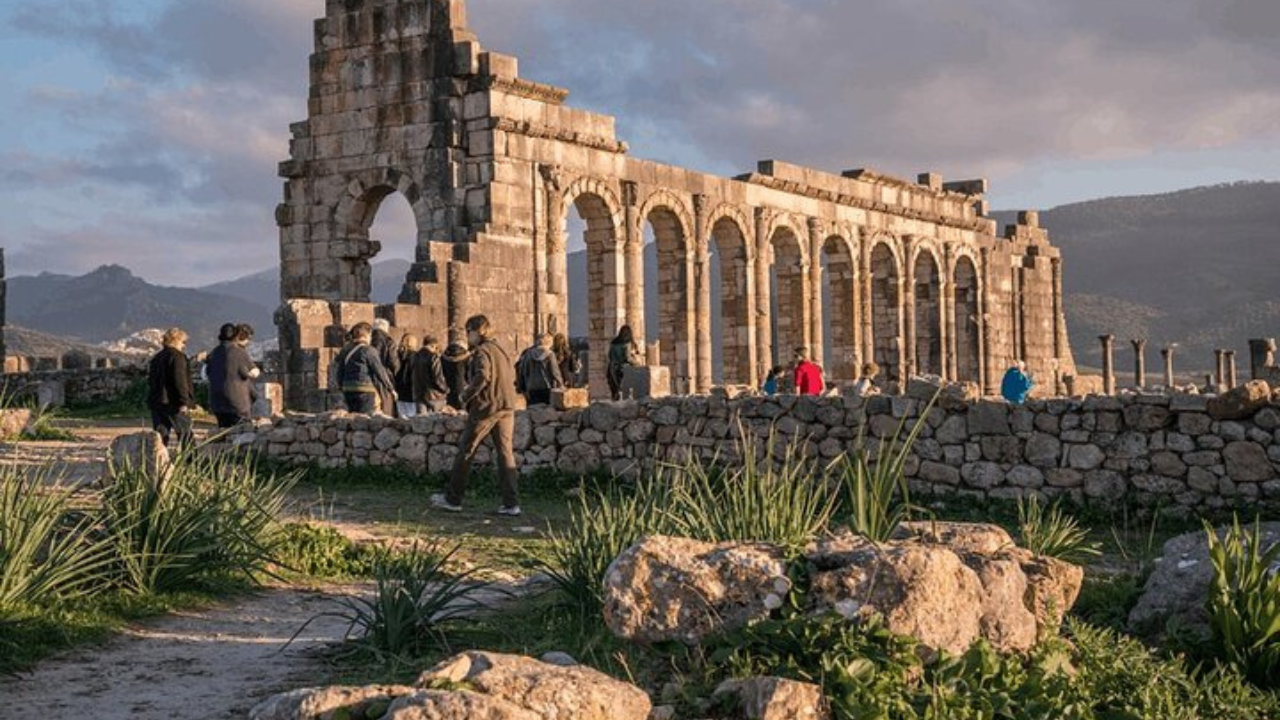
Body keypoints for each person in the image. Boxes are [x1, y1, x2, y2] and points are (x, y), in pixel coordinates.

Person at [431, 315, 521, 516]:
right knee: (505, 453)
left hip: (487, 406)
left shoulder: (482, 351)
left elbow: (483, 376)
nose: (467, 337)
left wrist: (465, 395)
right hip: (507, 406)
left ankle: (453, 499)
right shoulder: (500, 349)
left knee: (466, 450)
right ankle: (511, 503)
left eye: (467, 332)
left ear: (476, 331)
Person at [147, 328, 196, 448]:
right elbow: (179, 381)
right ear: (176, 340)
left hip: (157, 402)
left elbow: (151, 380)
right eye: (183, 342)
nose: (184, 345)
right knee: (186, 435)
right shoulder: (177, 357)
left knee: (160, 437)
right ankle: (191, 462)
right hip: (174, 403)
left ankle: (157, 462)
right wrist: (184, 401)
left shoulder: (156, 358)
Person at [335, 322, 396, 415]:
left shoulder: (345, 350)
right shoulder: (369, 350)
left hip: (348, 389)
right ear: (367, 335)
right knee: (364, 418)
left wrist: (341, 386)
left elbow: (340, 371)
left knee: (353, 417)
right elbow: (379, 371)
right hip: (365, 389)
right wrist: (391, 389)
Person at [208, 324, 261, 428]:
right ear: (236, 336)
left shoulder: (214, 352)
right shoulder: (239, 352)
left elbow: (207, 373)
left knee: (224, 434)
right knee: (243, 435)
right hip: (237, 403)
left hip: (217, 402)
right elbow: (253, 372)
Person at [516, 334, 565, 406]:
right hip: (547, 387)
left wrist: (521, 387)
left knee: (533, 410)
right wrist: (561, 385)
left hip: (531, 387)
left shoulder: (528, 354)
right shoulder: (550, 355)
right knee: (546, 412)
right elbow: (555, 372)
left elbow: (523, 371)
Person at [412, 335, 449, 414]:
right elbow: (437, 377)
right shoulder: (433, 357)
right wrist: (445, 389)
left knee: (420, 421)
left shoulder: (415, 356)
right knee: (435, 421)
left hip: (418, 393)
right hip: (432, 395)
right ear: (434, 345)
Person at [371, 319, 400, 416]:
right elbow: (393, 362)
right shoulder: (388, 341)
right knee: (386, 411)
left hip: (369, 379)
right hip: (385, 379)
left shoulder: (368, 340)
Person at [442, 329, 471, 411]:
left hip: (449, 388)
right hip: (463, 387)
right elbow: (469, 374)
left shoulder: (444, 356)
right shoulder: (467, 357)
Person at [394, 333, 422, 418]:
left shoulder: (396, 355)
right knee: (411, 419)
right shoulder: (415, 356)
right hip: (411, 393)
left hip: (399, 392)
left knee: (401, 418)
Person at [607, 325, 638, 401]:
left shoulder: (614, 342)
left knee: (614, 391)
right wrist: (636, 363)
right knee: (625, 390)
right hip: (622, 369)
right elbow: (628, 358)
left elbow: (610, 355)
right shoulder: (627, 343)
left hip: (611, 368)